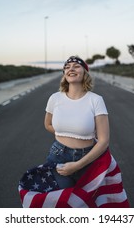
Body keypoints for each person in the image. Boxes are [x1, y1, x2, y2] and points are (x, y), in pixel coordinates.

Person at [44, 55, 110, 189]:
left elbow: (104, 141)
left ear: (85, 73)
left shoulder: (96, 100)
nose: (71, 69)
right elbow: (48, 124)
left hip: (87, 159)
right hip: (58, 156)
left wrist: (77, 165)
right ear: (64, 74)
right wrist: (67, 133)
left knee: (86, 203)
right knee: (60, 203)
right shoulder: (54, 98)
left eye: (76, 66)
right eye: (67, 67)